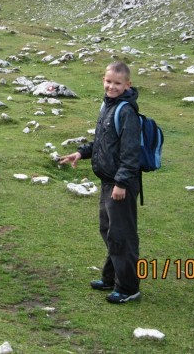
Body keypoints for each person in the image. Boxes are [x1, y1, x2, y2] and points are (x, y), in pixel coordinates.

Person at [60, 61, 142, 303]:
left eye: (117, 83)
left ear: (128, 85)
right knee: (108, 230)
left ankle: (128, 288)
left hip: (120, 185)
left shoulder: (126, 111)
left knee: (122, 235)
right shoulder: (108, 106)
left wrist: (121, 184)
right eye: (108, 81)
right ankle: (110, 278)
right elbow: (104, 142)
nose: (111, 86)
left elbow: (131, 152)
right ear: (103, 80)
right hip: (109, 182)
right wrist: (81, 153)